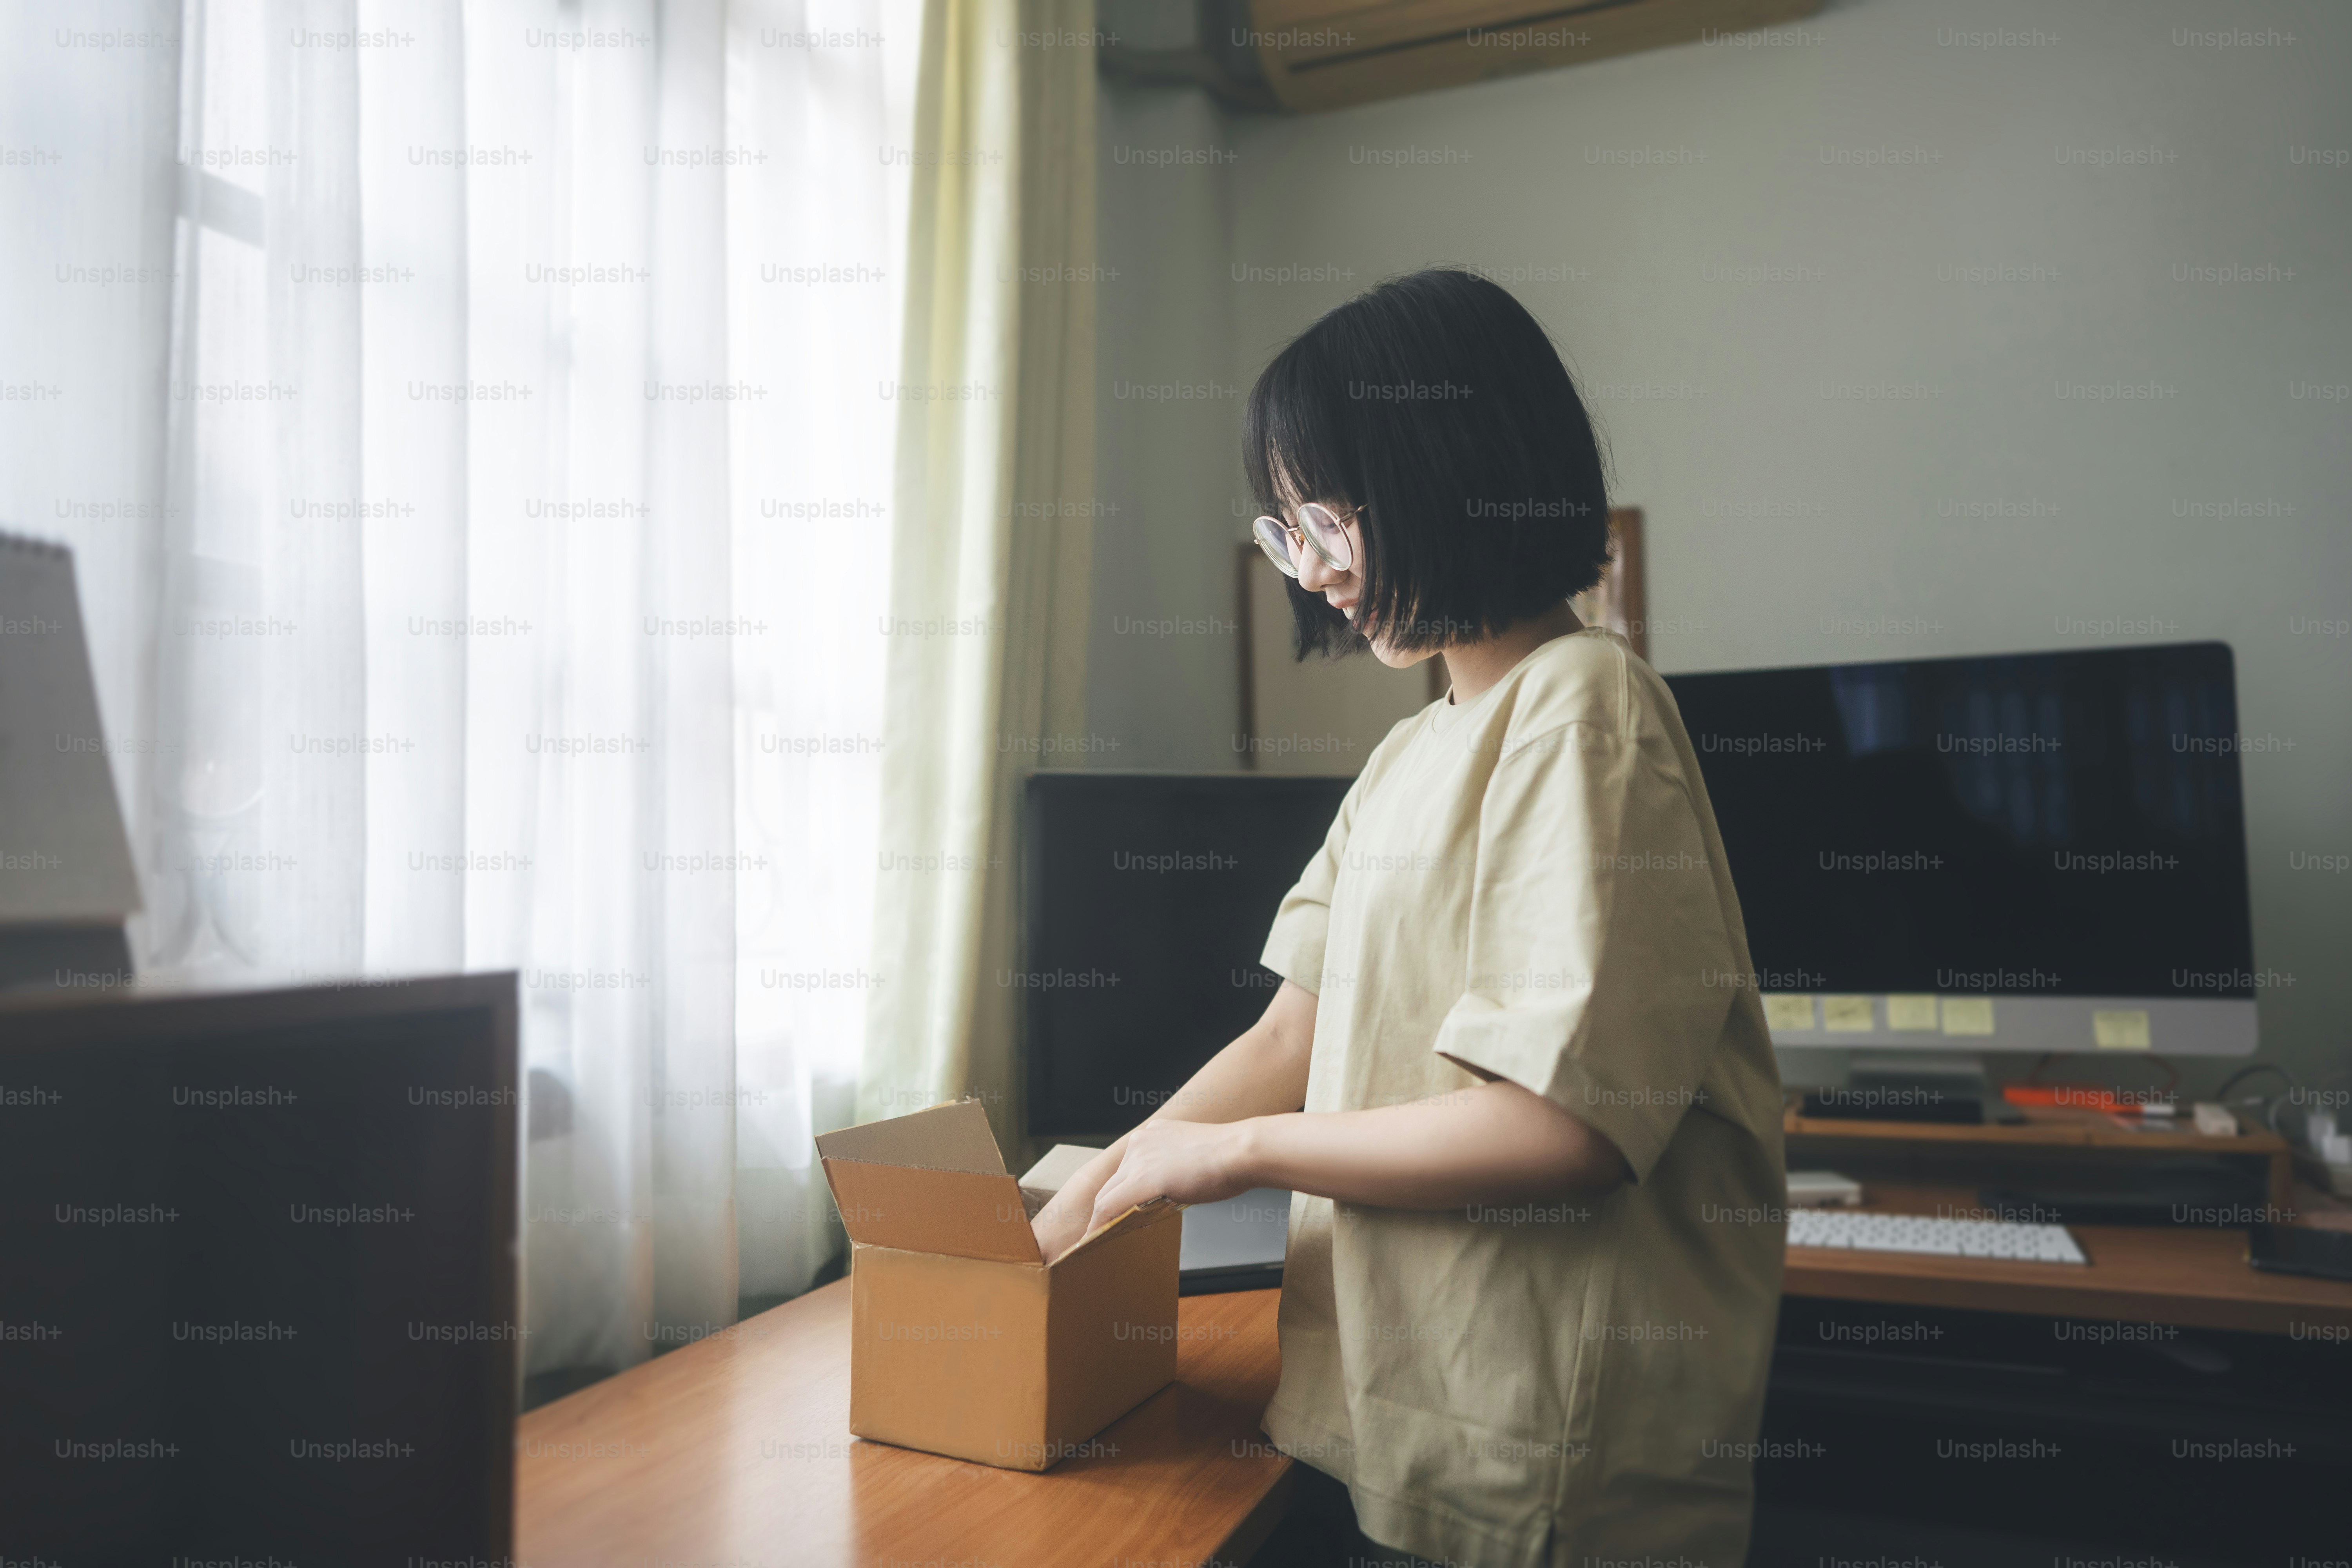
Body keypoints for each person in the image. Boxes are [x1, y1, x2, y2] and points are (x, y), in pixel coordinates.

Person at [1029, 269, 1786, 1568]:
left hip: (1536, 1444)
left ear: (1455, 472)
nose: (1311, 572)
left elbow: (1566, 1132)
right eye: (1283, 533)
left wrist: (1240, 1156)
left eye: (1326, 520)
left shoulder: (1584, 708)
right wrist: (1084, 1202)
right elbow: (1288, 1037)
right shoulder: (1407, 756)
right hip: (1384, 1407)